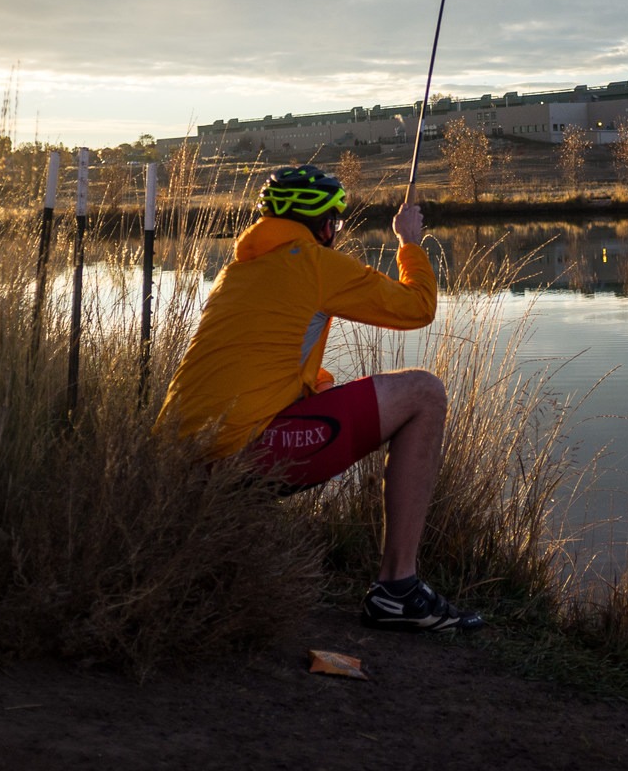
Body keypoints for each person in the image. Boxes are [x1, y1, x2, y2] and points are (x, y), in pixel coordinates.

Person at [156, 165, 483, 632]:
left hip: (181, 463)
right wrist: (409, 242)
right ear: (325, 225)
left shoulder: (237, 271)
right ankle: (398, 590)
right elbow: (418, 307)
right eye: (338, 222)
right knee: (425, 394)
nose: (337, 231)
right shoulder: (314, 264)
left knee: (325, 386)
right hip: (241, 458)